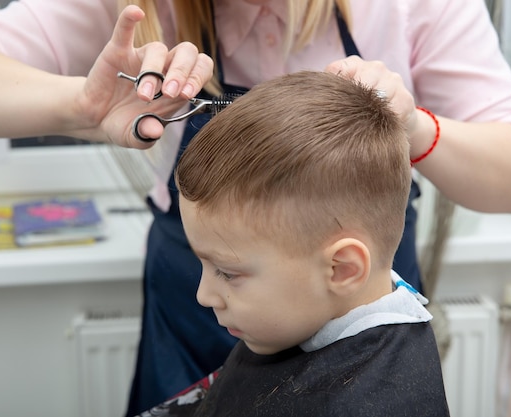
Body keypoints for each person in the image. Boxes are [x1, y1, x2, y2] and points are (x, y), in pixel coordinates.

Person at [0, 1, 511, 414]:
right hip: (182, 327)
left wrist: (412, 128)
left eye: (224, 272)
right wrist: (83, 106)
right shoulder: (150, 9)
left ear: (344, 265)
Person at [138, 70, 450, 416]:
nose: (203, 295)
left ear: (342, 268)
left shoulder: (370, 402)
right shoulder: (298, 322)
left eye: (227, 272)